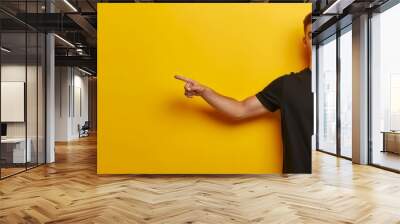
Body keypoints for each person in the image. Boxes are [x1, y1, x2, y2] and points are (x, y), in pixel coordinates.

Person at [174, 13, 313, 174]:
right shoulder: (287, 85)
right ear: (305, 42)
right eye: (311, 36)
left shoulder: (347, 82)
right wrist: (205, 91)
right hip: (299, 188)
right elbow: (240, 110)